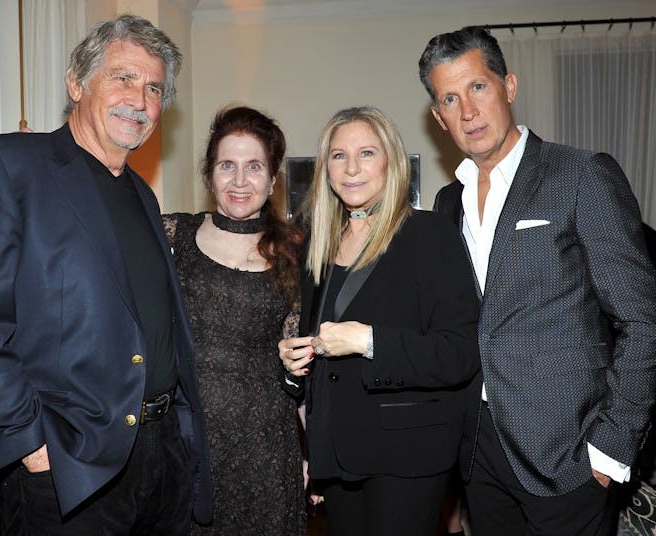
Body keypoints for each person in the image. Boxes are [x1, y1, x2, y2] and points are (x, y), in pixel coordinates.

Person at [0, 14, 211, 535]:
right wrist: (28, 445)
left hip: (161, 454)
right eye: (123, 77)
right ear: (76, 82)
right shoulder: (11, 166)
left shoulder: (143, 196)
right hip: (68, 462)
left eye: (153, 87)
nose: (140, 98)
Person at [420, 26, 656, 535]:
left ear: (509, 86)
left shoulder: (580, 174)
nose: (468, 111)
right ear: (439, 118)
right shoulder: (445, 204)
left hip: (570, 458)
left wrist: (610, 450)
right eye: (450, 99)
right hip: (479, 458)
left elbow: (643, 320)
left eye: (478, 88)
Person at [278, 106, 480, 536]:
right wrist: (297, 362)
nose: (351, 168)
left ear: (390, 161)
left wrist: (370, 341)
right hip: (337, 454)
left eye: (366, 153)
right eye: (338, 155)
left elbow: (460, 353)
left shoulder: (428, 234)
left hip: (406, 455)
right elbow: (321, 350)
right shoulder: (319, 241)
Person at [162, 105, 306, 535]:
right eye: (227, 165)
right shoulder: (172, 235)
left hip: (268, 448)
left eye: (254, 167)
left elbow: (301, 369)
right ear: (209, 174)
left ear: (273, 178)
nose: (240, 181)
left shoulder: (295, 253)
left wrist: (312, 455)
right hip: (187, 444)